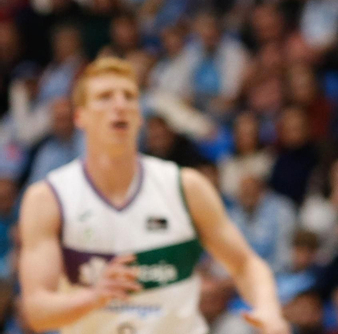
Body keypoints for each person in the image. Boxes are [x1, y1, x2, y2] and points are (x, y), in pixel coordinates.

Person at [17, 56, 288, 334]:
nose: (120, 104)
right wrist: (94, 297)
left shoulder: (185, 186)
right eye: (105, 97)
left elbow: (245, 264)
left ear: (139, 115)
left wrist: (268, 310)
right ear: (80, 116)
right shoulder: (48, 198)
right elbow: (37, 310)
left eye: (129, 96)